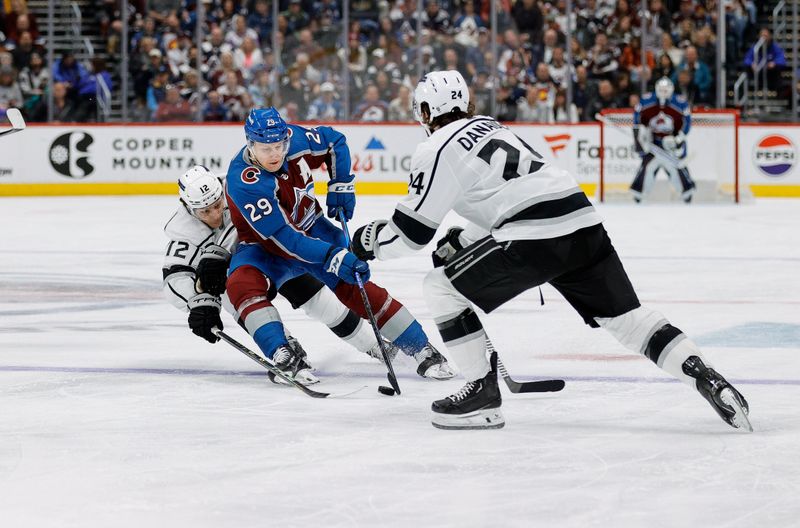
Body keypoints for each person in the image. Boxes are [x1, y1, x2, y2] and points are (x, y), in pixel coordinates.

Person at [351, 70, 752, 432]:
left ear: (426, 108)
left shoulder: (437, 146)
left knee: (440, 287)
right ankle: (704, 374)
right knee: (628, 320)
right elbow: (511, 192)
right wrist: (468, 240)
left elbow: (411, 234)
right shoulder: (493, 127)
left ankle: (481, 395)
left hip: (535, 235)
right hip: (581, 221)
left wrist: (368, 241)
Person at [222, 108, 455, 381]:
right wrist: (331, 254)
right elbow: (284, 238)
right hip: (266, 248)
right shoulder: (244, 181)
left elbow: (335, 141)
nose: (274, 154)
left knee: (355, 284)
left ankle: (421, 347)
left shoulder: (296, 139)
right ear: (250, 144)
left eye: (279, 146)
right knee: (240, 284)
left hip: (313, 229)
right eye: (265, 148)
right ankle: (282, 352)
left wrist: (341, 183)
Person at [162, 165, 407, 384]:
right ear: (188, 207)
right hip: (239, 274)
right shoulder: (183, 231)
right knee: (238, 300)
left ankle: (374, 346)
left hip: (272, 254)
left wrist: (221, 250)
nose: (215, 215)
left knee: (322, 303)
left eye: (217, 206)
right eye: (205, 212)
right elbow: (175, 277)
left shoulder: (238, 187)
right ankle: (286, 352)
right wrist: (200, 304)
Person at [631, 77, 695, 203]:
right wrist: (642, 135)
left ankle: (686, 191)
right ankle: (639, 193)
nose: (663, 93)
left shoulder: (680, 102)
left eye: (666, 90)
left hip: (671, 142)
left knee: (675, 166)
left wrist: (678, 138)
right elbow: (637, 119)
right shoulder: (646, 100)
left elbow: (687, 122)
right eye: (661, 90)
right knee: (648, 166)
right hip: (652, 141)